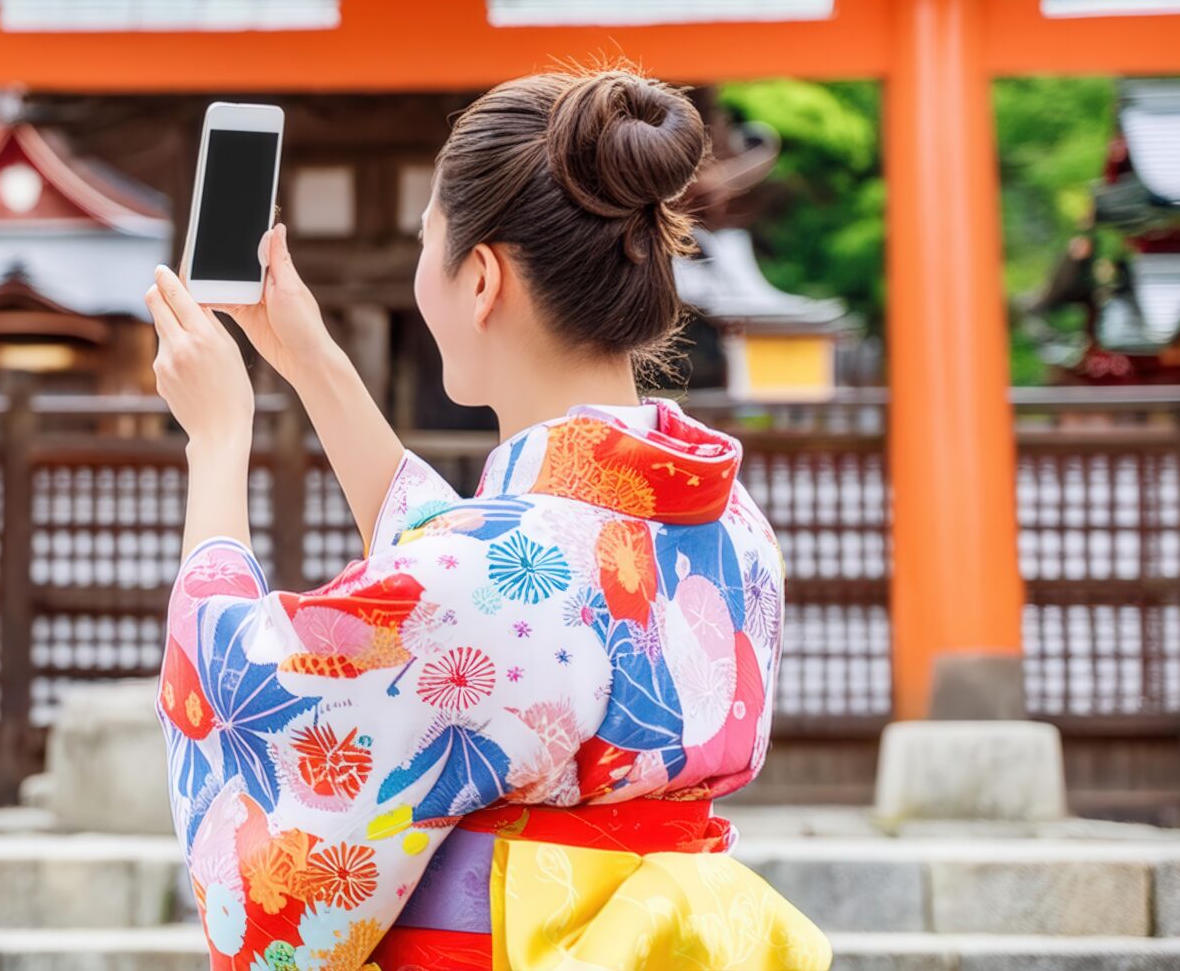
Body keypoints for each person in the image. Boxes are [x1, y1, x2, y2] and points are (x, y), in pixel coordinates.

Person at [142, 68, 831, 971]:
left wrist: (218, 437)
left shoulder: (486, 575)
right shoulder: (731, 527)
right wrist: (310, 359)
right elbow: (481, 584)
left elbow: (234, 684)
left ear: (479, 280)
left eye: (425, 240)